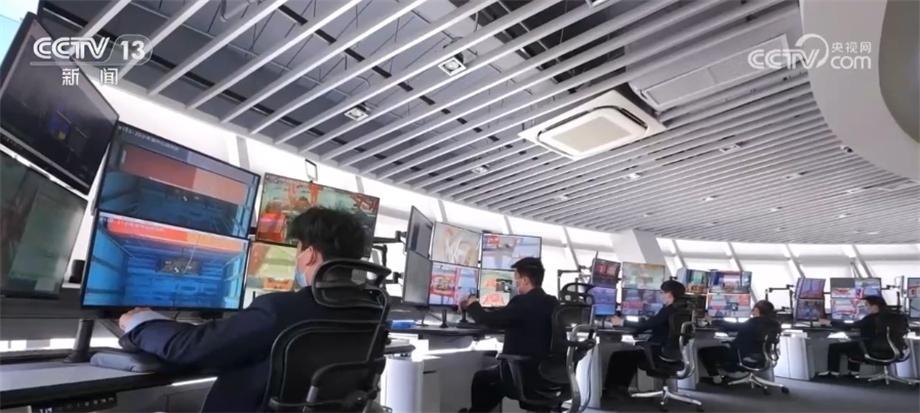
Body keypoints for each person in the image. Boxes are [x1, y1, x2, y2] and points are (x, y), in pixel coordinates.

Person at [118, 208, 372, 412]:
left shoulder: (280, 310)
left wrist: (140, 322)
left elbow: (191, 347)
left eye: (297, 250)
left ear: (310, 255)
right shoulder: (371, 313)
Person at [458, 257, 562, 413]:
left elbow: (487, 320)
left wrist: (472, 303)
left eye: (517, 279)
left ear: (525, 280)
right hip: (551, 376)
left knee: (482, 379)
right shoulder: (553, 303)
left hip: (525, 374)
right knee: (494, 380)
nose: (515, 283)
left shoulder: (522, 302)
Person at [604, 280, 690, 396]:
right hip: (674, 355)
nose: (661, 295)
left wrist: (621, 322)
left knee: (620, 356)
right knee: (630, 356)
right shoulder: (685, 312)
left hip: (659, 354)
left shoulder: (669, 310)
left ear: (669, 294)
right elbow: (653, 324)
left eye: (662, 292)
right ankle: (620, 389)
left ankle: (614, 391)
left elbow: (649, 325)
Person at [697, 300, 780, 384]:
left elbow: (734, 326)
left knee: (704, 352)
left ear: (757, 310)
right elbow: (740, 328)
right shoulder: (775, 324)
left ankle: (716, 379)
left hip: (742, 355)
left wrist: (713, 321)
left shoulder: (753, 322)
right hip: (762, 357)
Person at [817, 295, 889, 378]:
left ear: (875, 306)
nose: (866, 308)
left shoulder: (871, 318)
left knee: (836, 347)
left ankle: (833, 373)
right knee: (855, 344)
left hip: (871, 347)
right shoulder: (891, 317)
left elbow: (851, 326)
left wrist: (829, 322)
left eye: (867, 305)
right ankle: (854, 372)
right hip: (888, 349)